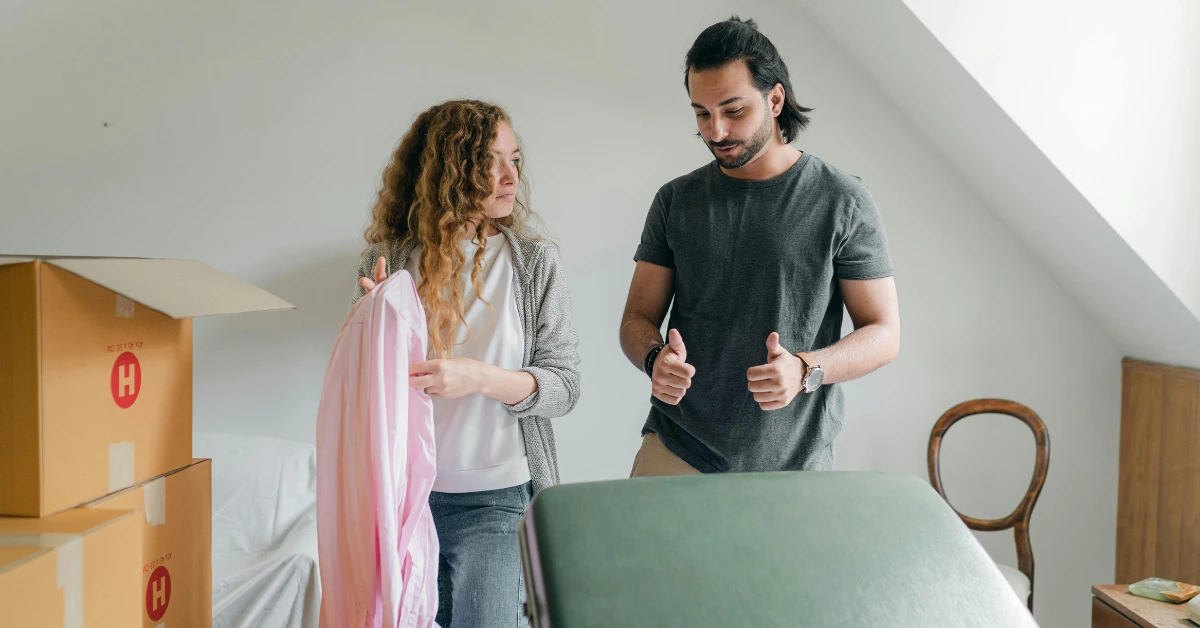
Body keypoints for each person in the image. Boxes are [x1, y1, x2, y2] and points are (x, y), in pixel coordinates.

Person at [619, 16, 901, 478]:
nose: (716, 132)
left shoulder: (842, 199)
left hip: (794, 464)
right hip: (677, 447)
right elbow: (637, 319)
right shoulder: (676, 200)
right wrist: (654, 359)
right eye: (701, 113)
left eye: (733, 111)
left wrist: (806, 368)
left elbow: (884, 333)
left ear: (775, 99)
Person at [351, 99, 581, 628]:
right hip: (406, 499)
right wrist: (372, 327)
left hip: (497, 501)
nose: (509, 176)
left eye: (515, 159)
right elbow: (365, 391)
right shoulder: (387, 259)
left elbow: (565, 386)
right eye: (490, 161)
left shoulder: (534, 264)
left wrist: (476, 377)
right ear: (451, 171)